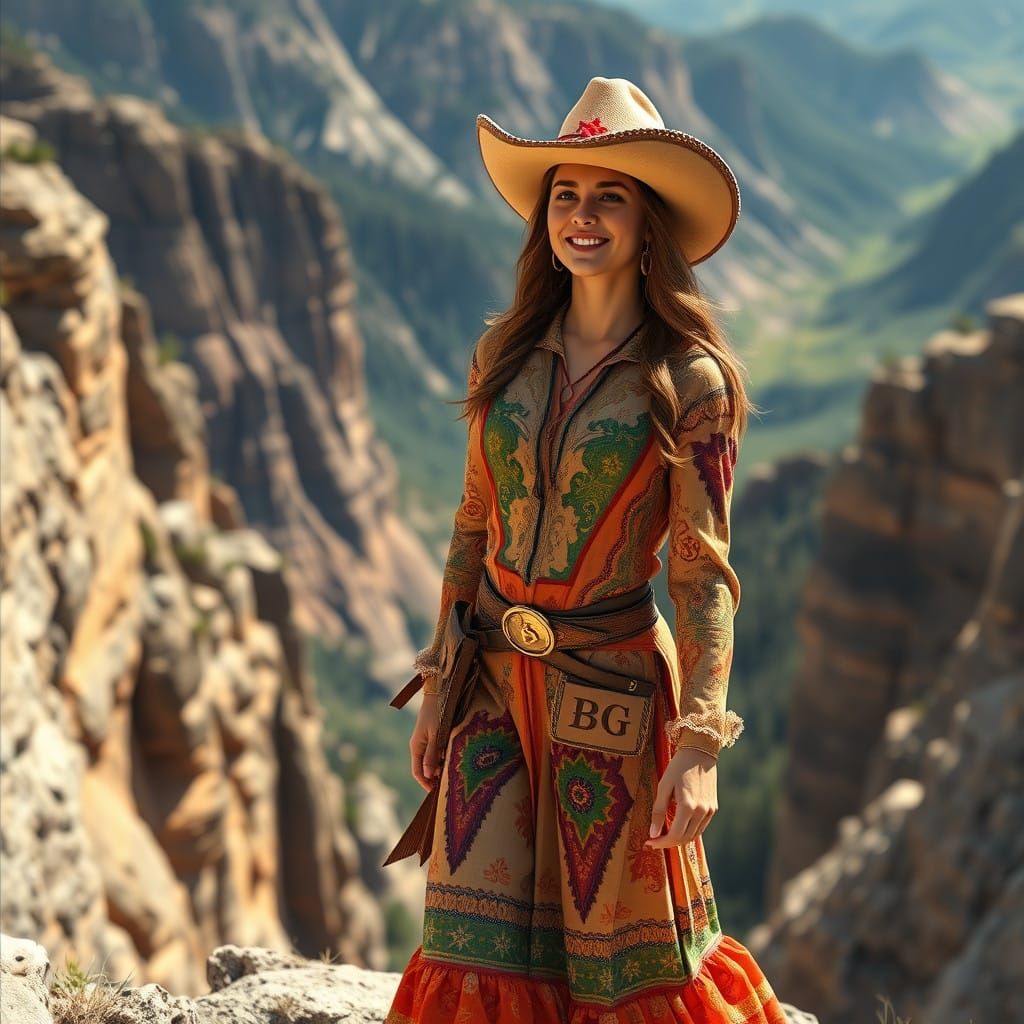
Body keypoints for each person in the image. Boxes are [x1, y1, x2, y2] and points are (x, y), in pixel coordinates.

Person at [385, 77, 788, 1023]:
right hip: (488, 672)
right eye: (565, 194)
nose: (583, 215)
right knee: (470, 936)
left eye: (610, 195)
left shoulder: (694, 383)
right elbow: (472, 523)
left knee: (622, 967)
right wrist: (439, 679)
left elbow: (702, 570)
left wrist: (699, 741)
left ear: (648, 221)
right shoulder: (505, 354)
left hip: (610, 692)